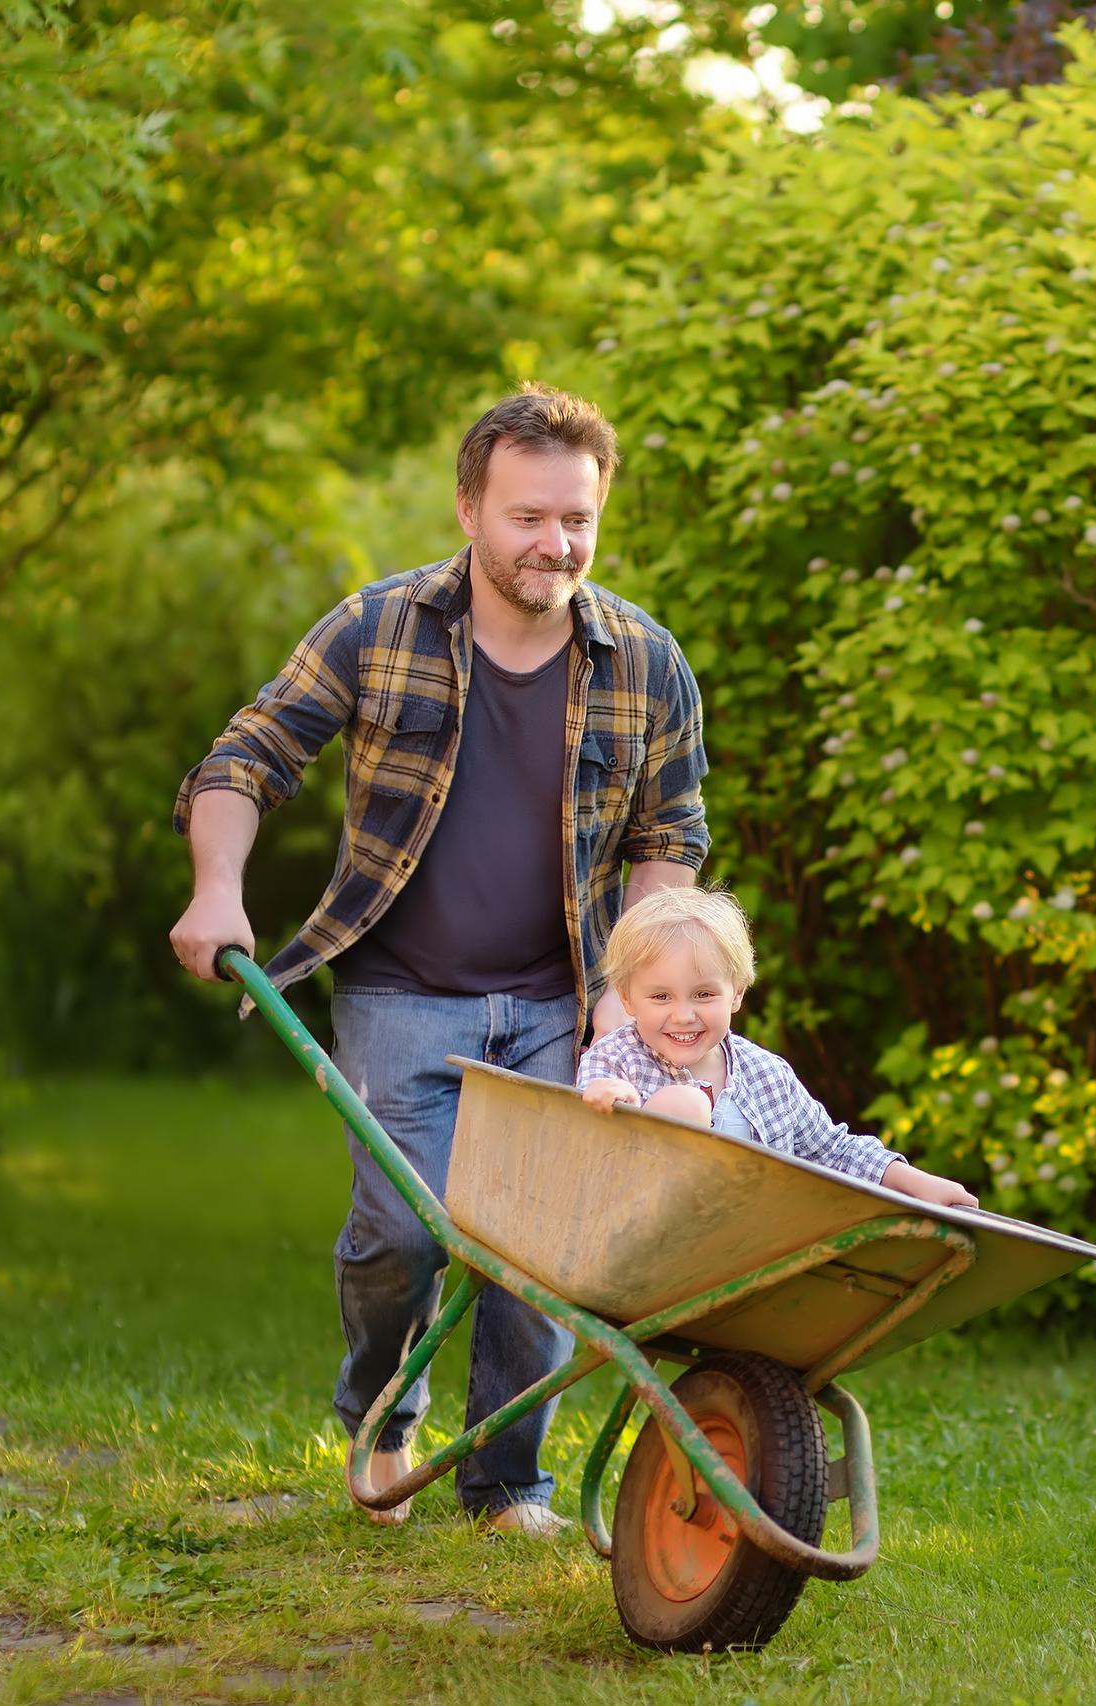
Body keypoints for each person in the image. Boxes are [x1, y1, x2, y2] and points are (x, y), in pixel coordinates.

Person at [167, 385, 709, 1536]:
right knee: (402, 1235)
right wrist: (219, 887)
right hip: (400, 988)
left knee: (541, 1254)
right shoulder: (378, 627)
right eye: (526, 516)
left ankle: (506, 1481)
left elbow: (671, 841)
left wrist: (628, 992)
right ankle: (384, 1414)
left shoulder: (646, 661)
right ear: (468, 507)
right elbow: (248, 756)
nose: (554, 543)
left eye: (576, 518)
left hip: (567, 998)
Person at [576, 888, 979, 1208]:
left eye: (703, 994)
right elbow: (578, 1130)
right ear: (627, 1000)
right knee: (686, 1105)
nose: (683, 1015)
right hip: (647, 1236)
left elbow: (832, 1150)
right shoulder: (616, 1058)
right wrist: (617, 1102)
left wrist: (918, 1182)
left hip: (752, 1242)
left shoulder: (765, 1073)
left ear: (736, 994)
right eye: (661, 997)